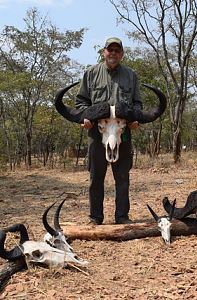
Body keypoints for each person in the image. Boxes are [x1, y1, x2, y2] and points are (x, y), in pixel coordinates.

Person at [75, 37, 142, 225]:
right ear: (104, 52)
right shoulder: (91, 73)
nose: (113, 53)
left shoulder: (131, 75)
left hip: (122, 132)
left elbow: (137, 104)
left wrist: (135, 119)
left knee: (122, 177)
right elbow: (81, 102)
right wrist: (85, 118)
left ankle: (122, 217)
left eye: (116, 50)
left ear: (121, 54)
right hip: (98, 132)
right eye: (109, 50)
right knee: (96, 176)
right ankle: (95, 217)